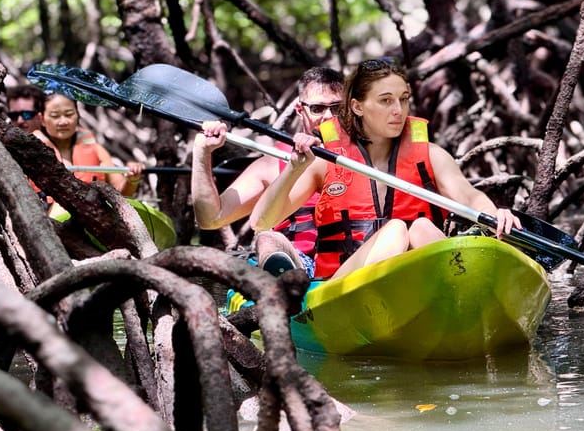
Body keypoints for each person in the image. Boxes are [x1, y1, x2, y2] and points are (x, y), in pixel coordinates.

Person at [249, 57, 522, 280]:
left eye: (404, 99)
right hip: (343, 289)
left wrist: (494, 214)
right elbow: (261, 222)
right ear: (356, 106)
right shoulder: (326, 159)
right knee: (395, 230)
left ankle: (466, 291)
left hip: (416, 280)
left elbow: (470, 197)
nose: (398, 110)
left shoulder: (431, 155)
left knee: (422, 227)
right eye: (386, 100)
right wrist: (295, 169)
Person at [191, 67, 344, 276]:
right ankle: (286, 285)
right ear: (300, 110)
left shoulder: (369, 155)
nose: (328, 116)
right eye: (317, 108)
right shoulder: (272, 163)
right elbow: (211, 218)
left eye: (337, 108)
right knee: (268, 239)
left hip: (351, 268)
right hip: (299, 272)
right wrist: (202, 152)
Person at [34, 93, 143, 197]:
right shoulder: (29, 151)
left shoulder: (96, 150)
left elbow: (122, 193)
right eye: (55, 116)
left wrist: (132, 179)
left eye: (69, 114)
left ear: (77, 115)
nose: (63, 122)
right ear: (42, 119)